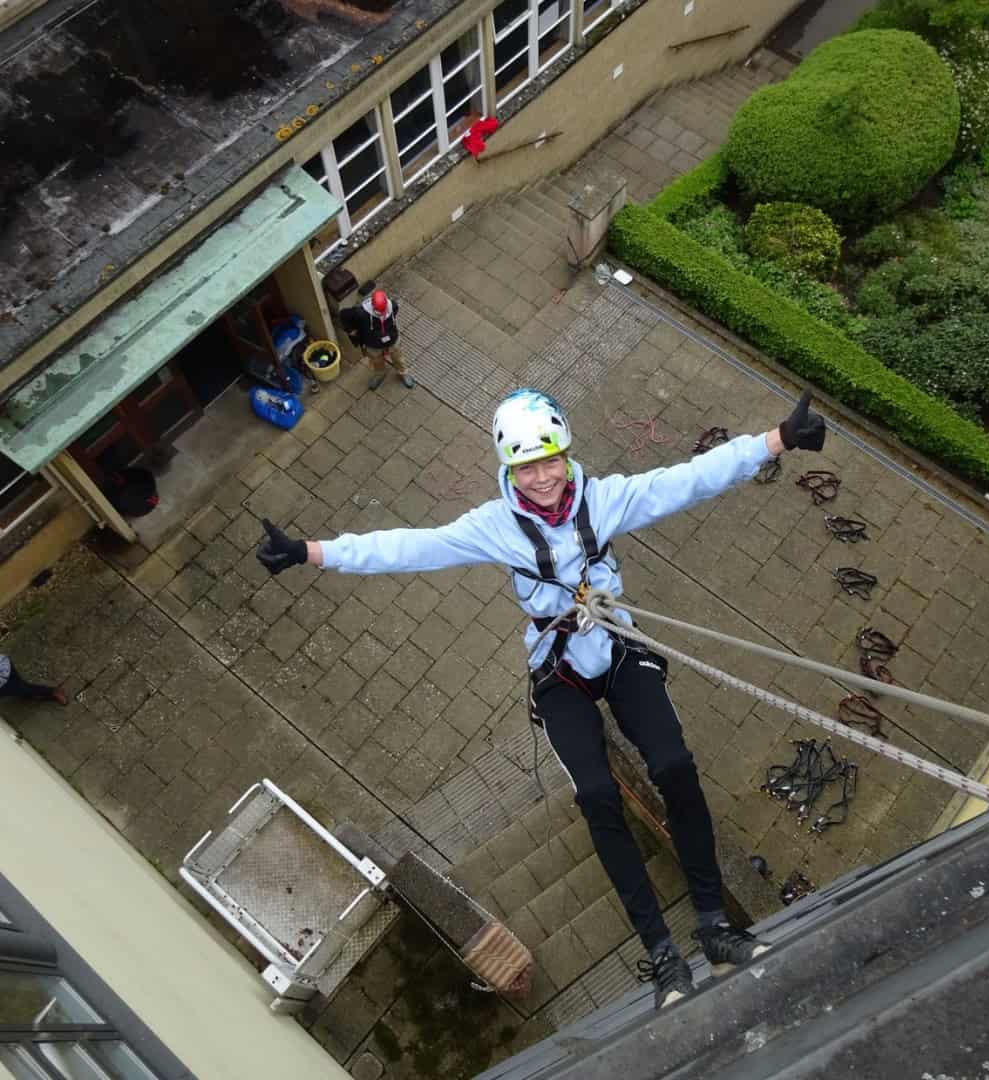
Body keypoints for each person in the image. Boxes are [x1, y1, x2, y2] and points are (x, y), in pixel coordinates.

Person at [257, 387, 827, 1009]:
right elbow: (408, 547)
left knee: (674, 766)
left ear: (567, 454)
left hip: (616, 647)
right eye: (526, 467)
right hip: (558, 669)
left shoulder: (603, 501)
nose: (543, 477)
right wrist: (312, 553)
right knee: (597, 796)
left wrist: (777, 439)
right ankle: (662, 951)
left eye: (550, 460)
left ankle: (714, 923)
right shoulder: (493, 528)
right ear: (508, 469)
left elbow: (687, 481)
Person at [340, 286, 415, 391]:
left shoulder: (393, 305)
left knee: (398, 357)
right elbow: (343, 314)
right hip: (373, 343)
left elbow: (394, 312)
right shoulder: (360, 313)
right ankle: (380, 374)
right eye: (378, 312)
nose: (382, 314)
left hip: (392, 339)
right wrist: (350, 330)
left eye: (384, 311)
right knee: (376, 361)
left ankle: (403, 372)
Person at [0, 653, 67, 705]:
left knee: (23, 689)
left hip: (4, 674)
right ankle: (23, 694)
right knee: (15, 691)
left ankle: (53, 692)